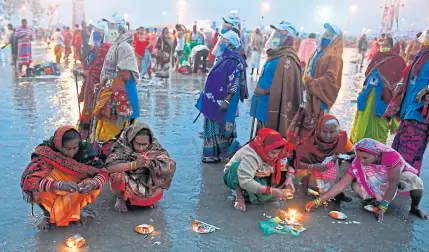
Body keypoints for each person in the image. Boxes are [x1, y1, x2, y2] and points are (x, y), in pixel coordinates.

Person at [306, 138, 427, 222]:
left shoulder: (390, 156)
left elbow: (392, 183)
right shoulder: (358, 162)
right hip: (378, 179)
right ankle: (373, 199)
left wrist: (383, 208)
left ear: (377, 154)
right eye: (358, 156)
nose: (361, 160)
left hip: (395, 177)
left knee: (414, 181)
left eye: (365, 157)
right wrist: (317, 201)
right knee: (356, 187)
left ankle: (415, 207)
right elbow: (341, 185)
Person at [20, 126, 109, 230]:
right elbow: (30, 181)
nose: (71, 153)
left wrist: (92, 184)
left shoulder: (85, 150)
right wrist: (59, 185)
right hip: (54, 187)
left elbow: (103, 172)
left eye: (75, 148)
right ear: (58, 145)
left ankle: (76, 212)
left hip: (77, 187)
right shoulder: (46, 152)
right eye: (67, 149)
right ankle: (47, 215)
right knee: (38, 186)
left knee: (93, 182)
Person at [196, 30, 248, 163]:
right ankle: (211, 154)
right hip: (213, 100)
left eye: (223, 42)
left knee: (224, 126)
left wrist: (227, 100)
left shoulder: (234, 60)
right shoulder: (224, 58)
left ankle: (226, 153)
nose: (220, 44)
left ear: (230, 44)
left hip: (222, 101)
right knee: (212, 125)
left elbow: (235, 82)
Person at [289, 23, 343, 144]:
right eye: (325, 33)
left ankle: (312, 158)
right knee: (304, 131)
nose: (326, 36)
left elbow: (331, 79)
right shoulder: (319, 52)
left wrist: (310, 83)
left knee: (317, 133)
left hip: (319, 101)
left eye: (330, 34)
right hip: (308, 97)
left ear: (336, 39)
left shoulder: (334, 56)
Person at [384, 29, 429, 175]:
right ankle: (396, 188)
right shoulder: (423, 53)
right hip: (408, 110)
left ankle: (401, 190)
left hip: (420, 113)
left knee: (406, 156)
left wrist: (426, 89)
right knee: (398, 151)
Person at [249, 22, 303, 138]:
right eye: (276, 33)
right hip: (264, 105)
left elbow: (287, 89)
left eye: (280, 33)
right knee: (261, 135)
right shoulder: (277, 54)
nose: (275, 36)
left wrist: (265, 91)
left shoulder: (288, 59)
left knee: (270, 138)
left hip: (273, 107)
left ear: (287, 37)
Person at [106, 123, 176, 211]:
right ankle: (120, 198)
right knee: (116, 176)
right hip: (128, 179)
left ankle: (152, 198)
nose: (141, 148)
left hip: (147, 180)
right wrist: (135, 164)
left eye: (144, 144)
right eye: (138, 144)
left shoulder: (154, 147)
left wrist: (151, 164)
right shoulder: (122, 146)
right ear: (131, 140)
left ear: (150, 142)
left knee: (168, 167)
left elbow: (168, 164)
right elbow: (110, 167)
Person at [223, 128, 296, 212]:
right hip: (235, 175)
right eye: (273, 153)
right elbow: (245, 180)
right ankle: (239, 197)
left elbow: (293, 157)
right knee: (236, 167)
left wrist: (289, 177)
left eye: (278, 153)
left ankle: (250, 192)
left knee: (265, 196)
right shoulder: (252, 155)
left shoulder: (279, 144)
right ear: (264, 148)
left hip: (258, 173)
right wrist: (271, 190)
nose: (276, 156)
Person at [93, 13, 140, 143]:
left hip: (122, 93)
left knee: (120, 131)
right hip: (112, 89)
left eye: (111, 25)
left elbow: (125, 74)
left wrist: (105, 81)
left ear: (119, 28)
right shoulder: (116, 44)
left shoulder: (124, 47)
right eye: (108, 25)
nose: (109, 28)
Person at [350, 38, 405, 144]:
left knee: (379, 125)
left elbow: (400, 82)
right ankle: (360, 146)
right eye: (382, 44)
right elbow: (368, 73)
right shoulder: (378, 57)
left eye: (387, 44)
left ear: (393, 46)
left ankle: (376, 150)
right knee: (363, 120)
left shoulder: (398, 61)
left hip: (383, 100)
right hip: (368, 96)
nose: (384, 46)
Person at [296, 115, 354, 201]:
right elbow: (294, 162)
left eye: (332, 132)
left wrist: (342, 157)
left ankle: (337, 192)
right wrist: (313, 166)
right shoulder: (308, 141)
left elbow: (353, 154)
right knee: (303, 169)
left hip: (332, 171)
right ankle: (306, 189)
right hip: (311, 169)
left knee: (345, 165)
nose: (328, 135)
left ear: (338, 131)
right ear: (318, 130)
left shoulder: (342, 139)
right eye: (324, 132)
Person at [75, 21, 111, 141]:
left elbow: (101, 70)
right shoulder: (94, 49)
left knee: (96, 112)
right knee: (88, 111)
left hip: (99, 87)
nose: (95, 34)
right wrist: (81, 72)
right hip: (89, 86)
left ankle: (94, 137)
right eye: (94, 32)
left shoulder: (106, 48)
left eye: (98, 32)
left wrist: (86, 74)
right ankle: (87, 136)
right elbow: (90, 68)